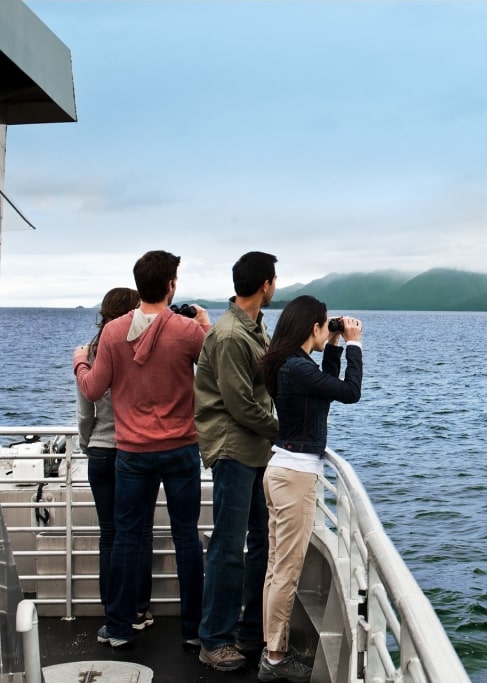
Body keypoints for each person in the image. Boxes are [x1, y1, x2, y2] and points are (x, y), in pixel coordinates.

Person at [73, 250, 210, 650]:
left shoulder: (113, 333)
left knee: (128, 537)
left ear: (139, 285)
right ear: (171, 285)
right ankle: (193, 630)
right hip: (181, 448)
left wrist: (81, 362)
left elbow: (93, 390)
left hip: (131, 452)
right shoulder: (188, 332)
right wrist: (205, 325)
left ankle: (118, 627)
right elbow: (217, 374)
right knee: (187, 537)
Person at [257, 295, 362, 683]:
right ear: (310, 328)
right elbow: (349, 392)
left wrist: (332, 342)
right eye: (324, 326)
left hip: (283, 470)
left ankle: (273, 649)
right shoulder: (296, 368)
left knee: (276, 569)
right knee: (285, 571)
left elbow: (326, 390)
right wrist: (354, 343)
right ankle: (275, 658)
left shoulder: (293, 365)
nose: (328, 330)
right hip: (295, 478)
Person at [195, 252, 279, 671]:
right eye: (274, 278)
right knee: (228, 548)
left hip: (255, 450)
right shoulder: (229, 335)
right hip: (233, 449)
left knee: (261, 540)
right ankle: (213, 639)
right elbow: (239, 404)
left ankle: (249, 631)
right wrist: (282, 432)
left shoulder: (254, 328)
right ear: (266, 284)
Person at [76, 287, 157, 630]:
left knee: (109, 533)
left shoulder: (90, 353)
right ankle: (138, 609)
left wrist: (88, 443)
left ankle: (112, 610)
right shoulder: (143, 350)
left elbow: (84, 411)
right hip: (136, 449)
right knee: (140, 532)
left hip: (100, 450)